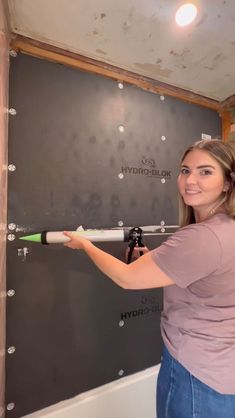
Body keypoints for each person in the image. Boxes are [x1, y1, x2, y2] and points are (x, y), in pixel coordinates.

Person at [63, 139, 235, 418]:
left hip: (195, 375)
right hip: (223, 370)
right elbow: (206, 276)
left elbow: (127, 278)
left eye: (205, 171)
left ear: (227, 183)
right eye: (185, 170)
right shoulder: (226, 228)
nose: (190, 180)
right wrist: (156, 261)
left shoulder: (202, 237)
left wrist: (86, 245)